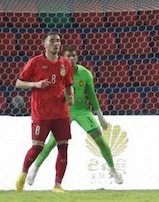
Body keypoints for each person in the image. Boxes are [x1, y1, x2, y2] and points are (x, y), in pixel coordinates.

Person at [26, 45, 123, 186]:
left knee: (99, 138)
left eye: (74, 56)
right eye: (68, 56)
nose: (71, 59)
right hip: (62, 110)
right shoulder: (57, 73)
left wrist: (100, 116)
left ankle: (113, 169)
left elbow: (92, 95)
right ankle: (35, 168)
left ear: (77, 58)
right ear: (63, 59)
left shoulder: (85, 74)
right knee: (52, 143)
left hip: (82, 110)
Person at [15, 33, 74, 193]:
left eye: (58, 41)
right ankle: (23, 174)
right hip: (41, 113)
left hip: (61, 113)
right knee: (37, 147)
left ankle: (58, 185)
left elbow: (69, 84)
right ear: (44, 44)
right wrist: (36, 84)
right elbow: (19, 83)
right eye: (52, 41)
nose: (56, 43)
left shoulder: (65, 63)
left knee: (63, 148)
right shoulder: (35, 62)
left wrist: (71, 96)